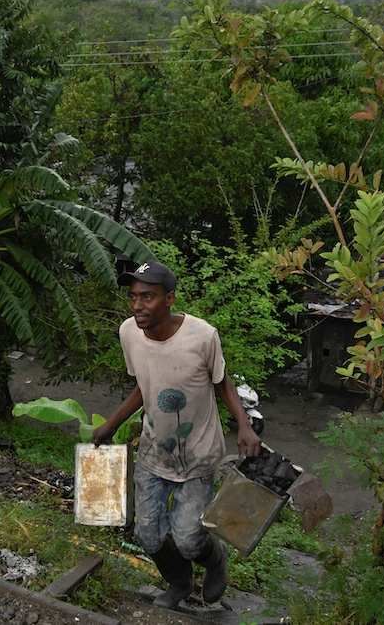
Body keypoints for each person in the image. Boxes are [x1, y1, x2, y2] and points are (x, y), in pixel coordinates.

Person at [92, 260, 262, 609]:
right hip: (155, 452)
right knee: (148, 535)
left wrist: (243, 425)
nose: (138, 305)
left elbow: (222, 383)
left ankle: (215, 561)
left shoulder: (202, 336)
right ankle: (180, 583)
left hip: (198, 454)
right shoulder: (129, 332)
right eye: (134, 296)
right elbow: (145, 385)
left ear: (169, 299)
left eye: (148, 297)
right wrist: (111, 423)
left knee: (187, 538)